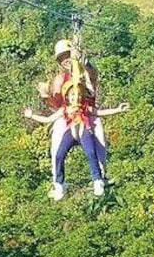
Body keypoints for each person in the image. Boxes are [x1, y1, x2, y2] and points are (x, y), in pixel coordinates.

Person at [25, 71, 130, 200]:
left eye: (79, 94)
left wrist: (118, 109)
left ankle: (97, 179)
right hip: (71, 131)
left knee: (91, 152)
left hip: (83, 129)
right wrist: (32, 116)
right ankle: (59, 183)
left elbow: (100, 112)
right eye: (73, 94)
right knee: (59, 155)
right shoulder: (64, 109)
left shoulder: (85, 108)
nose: (76, 97)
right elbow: (49, 119)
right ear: (68, 96)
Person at [37, 39, 109, 179]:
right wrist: (46, 96)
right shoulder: (60, 79)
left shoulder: (85, 74)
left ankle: (101, 174)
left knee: (99, 140)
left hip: (88, 112)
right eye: (61, 58)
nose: (66, 60)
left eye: (67, 55)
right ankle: (57, 179)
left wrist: (82, 60)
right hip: (68, 114)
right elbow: (57, 104)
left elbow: (93, 75)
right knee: (57, 141)